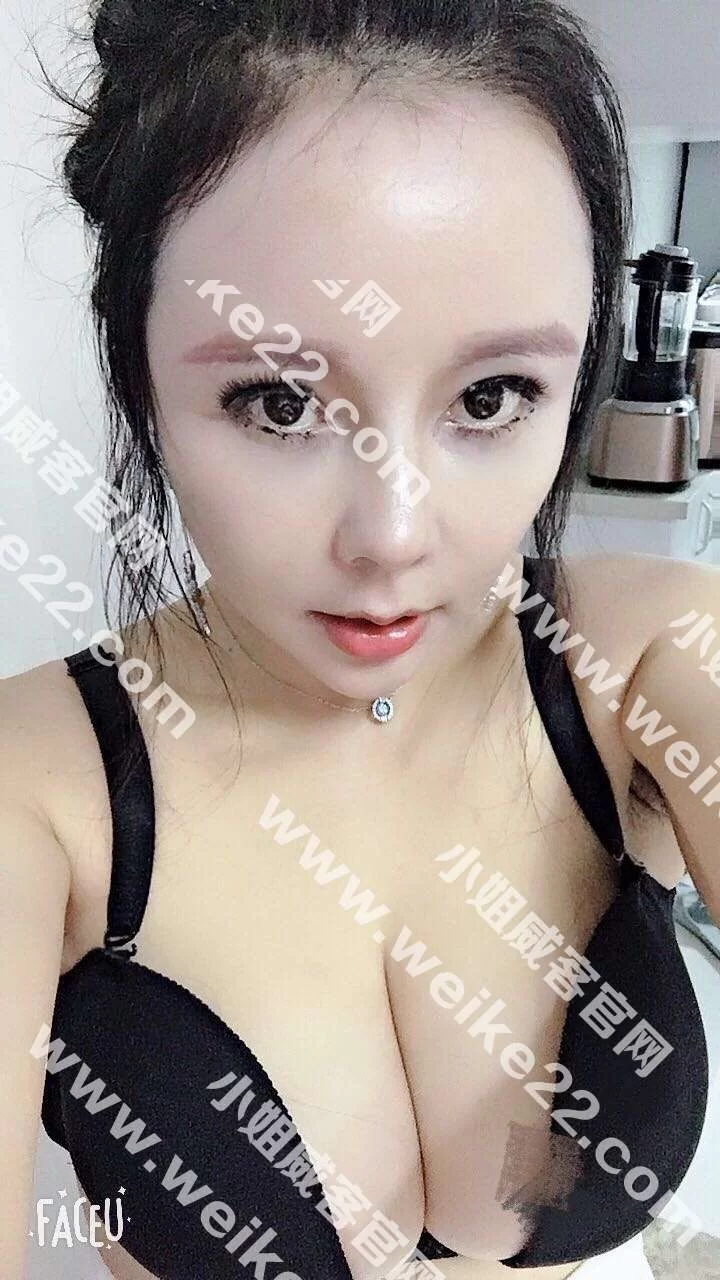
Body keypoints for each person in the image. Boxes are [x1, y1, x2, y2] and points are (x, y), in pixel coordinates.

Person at [3, 1, 719, 1278]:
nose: (392, 535)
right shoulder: (34, 790)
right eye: (278, 402)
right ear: (140, 371)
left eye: (493, 396)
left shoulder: (646, 667)